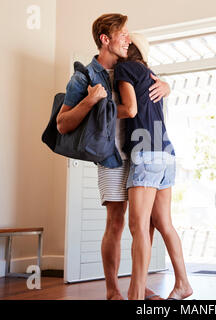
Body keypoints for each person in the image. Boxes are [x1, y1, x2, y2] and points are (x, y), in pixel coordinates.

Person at [56, 14, 171, 300]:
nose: (128, 39)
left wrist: (168, 86)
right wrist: (90, 100)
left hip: (142, 152)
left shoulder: (132, 67)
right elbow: (63, 124)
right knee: (116, 223)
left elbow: (155, 89)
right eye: (123, 34)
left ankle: (139, 285)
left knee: (145, 223)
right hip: (112, 157)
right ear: (105, 40)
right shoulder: (84, 76)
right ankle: (112, 291)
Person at [114, 33, 193, 300]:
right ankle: (182, 283)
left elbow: (131, 109)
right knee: (163, 223)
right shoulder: (151, 74)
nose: (121, 45)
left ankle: (136, 296)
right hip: (166, 153)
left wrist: (100, 109)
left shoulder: (124, 68)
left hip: (145, 153)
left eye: (125, 43)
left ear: (130, 49)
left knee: (137, 226)